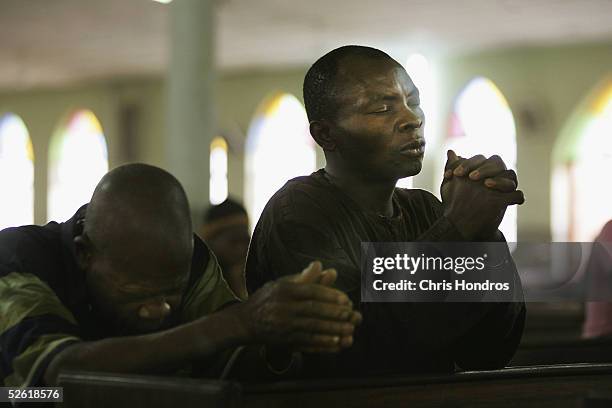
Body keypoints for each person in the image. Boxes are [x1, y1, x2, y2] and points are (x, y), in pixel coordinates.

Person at [246, 45, 526, 376]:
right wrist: (458, 228)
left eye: (414, 103)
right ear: (326, 134)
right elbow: (360, 349)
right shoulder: (298, 210)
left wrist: (484, 231)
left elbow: (489, 350)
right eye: (381, 108)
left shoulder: (424, 209)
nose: (412, 119)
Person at [0, 163, 361, 388]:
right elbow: (56, 376)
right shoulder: (20, 260)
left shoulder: (192, 260)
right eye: (136, 291)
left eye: (171, 293)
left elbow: (227, 360)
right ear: (84, 253)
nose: (158, 311)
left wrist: (282, 335)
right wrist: (239, 323)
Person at [200, 198, 250, 300]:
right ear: (211, 241)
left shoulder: (253, 274)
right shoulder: (201, 285)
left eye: (245, 241)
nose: (242, 249)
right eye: (234, 242)